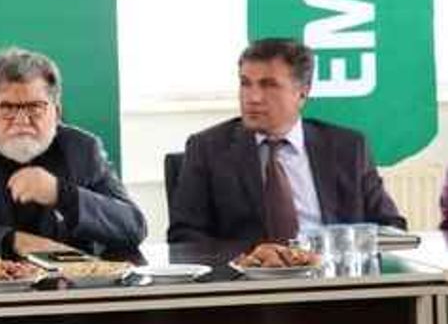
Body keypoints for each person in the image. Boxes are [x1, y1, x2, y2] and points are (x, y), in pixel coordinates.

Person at [0, 47, 146, 259]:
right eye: (7, 108)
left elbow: (134, 227)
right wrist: (14, 241)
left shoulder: (83, 150)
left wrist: (62, 194)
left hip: (72, 287)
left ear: (56, 112)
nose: (21, 120)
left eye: (34, 107)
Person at [168, 38, 405, 243]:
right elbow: (185, 235)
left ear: (302, 93)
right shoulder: (208, 149)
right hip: (248, 278)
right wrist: (251, 260)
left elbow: (390, 225)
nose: (253, 97)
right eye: (245, 83)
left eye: (268, 85)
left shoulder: (348, 148)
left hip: (334, 274)